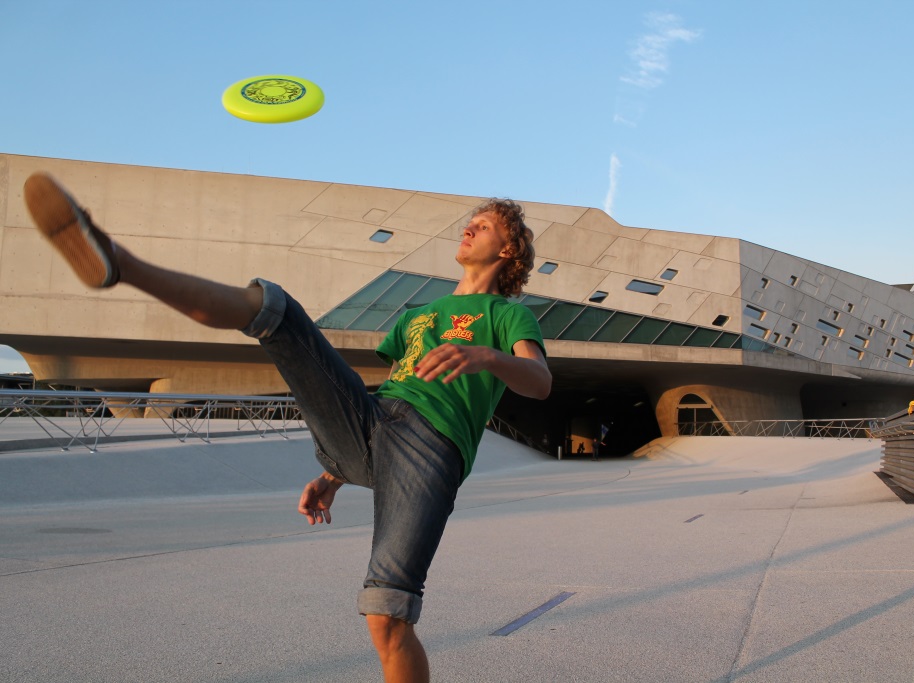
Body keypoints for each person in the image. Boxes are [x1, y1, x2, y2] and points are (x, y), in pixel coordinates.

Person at [23, 172, 552, 683]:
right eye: (471, 221)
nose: (469, 227)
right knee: (278, 311)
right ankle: (122, 263)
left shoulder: (506, 315)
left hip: (430, 449)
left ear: (508, 251)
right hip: (374, 420)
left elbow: (540, 381)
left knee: (387, 617)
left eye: (483, 225)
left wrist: (487, 357)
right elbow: (397, 386)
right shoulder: (420, 313)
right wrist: (335, 473)